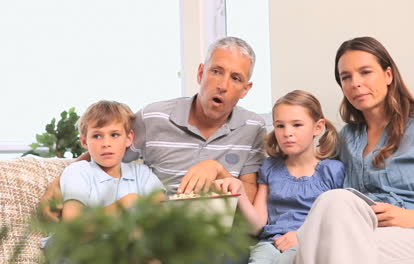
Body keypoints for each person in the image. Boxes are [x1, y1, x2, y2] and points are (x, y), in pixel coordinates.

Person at [40, 36, 266, 221]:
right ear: (200, 73)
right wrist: (57, 185)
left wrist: (217, 169)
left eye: (235, 78)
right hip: (164, 229)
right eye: (216, 71)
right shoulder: (154, 117)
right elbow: (108, 146)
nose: (222, 85)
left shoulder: (253, 128)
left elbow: (250, 204)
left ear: (245, 89)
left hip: (221, 234)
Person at [294, 37, 414, 264]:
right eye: (346, 77)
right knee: (332, 204)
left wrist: (412, 216)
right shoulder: (347, 137)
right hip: (366, 231)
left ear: (388, 75)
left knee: (325, 240)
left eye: (365, 72)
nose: (355, 83)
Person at [214, 90, 345, 264]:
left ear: (318, 127)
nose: (287, 133)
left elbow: (340, 221)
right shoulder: (270, 168)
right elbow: (257, 226)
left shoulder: (333, 170)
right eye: (280, 126)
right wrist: (240, 192)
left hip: (309, 243)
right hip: (269, 245)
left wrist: (303, 236)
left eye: (297, 125)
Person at [60, 100, 166, 220]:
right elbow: (72, 224)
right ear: (84, 141)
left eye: (114, 135)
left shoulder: (142, 173)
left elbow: (160, 215)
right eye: (97, 136)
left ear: (128, 138)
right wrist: (125, 204)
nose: (106, 144)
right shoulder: (79, 171)